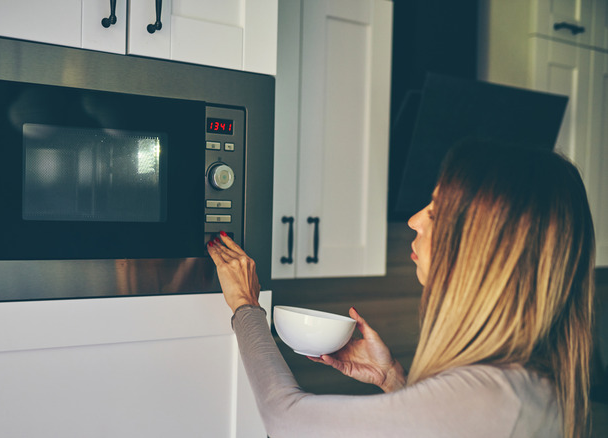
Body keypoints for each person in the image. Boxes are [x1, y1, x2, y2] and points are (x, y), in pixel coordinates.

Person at [207, 142, 594, 438]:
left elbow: (286, 419)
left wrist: (246, 306)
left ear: (484, 245)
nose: (413, 221)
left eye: (436, 211)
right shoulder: (531, 383)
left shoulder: (493, 395)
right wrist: (392, 378)